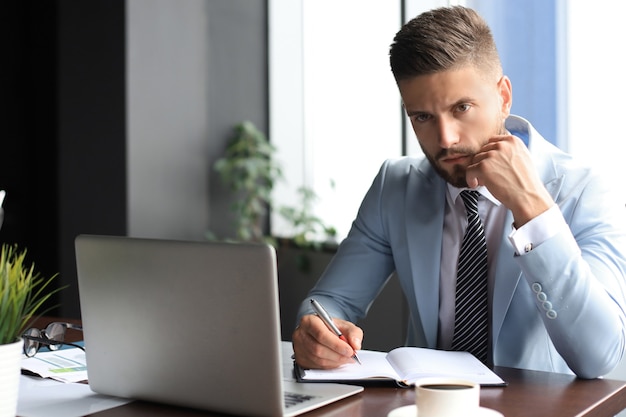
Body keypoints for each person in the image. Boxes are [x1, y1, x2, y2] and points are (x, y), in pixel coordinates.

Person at [291, 5, 626, 379]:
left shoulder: (586, 190)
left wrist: (531, 207)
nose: (446, 139)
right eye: (423, 117)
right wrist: (316, 332)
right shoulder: (395, 186)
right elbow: (331, 301)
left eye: (461, 107)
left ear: (503, 96)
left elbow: (601, 358)